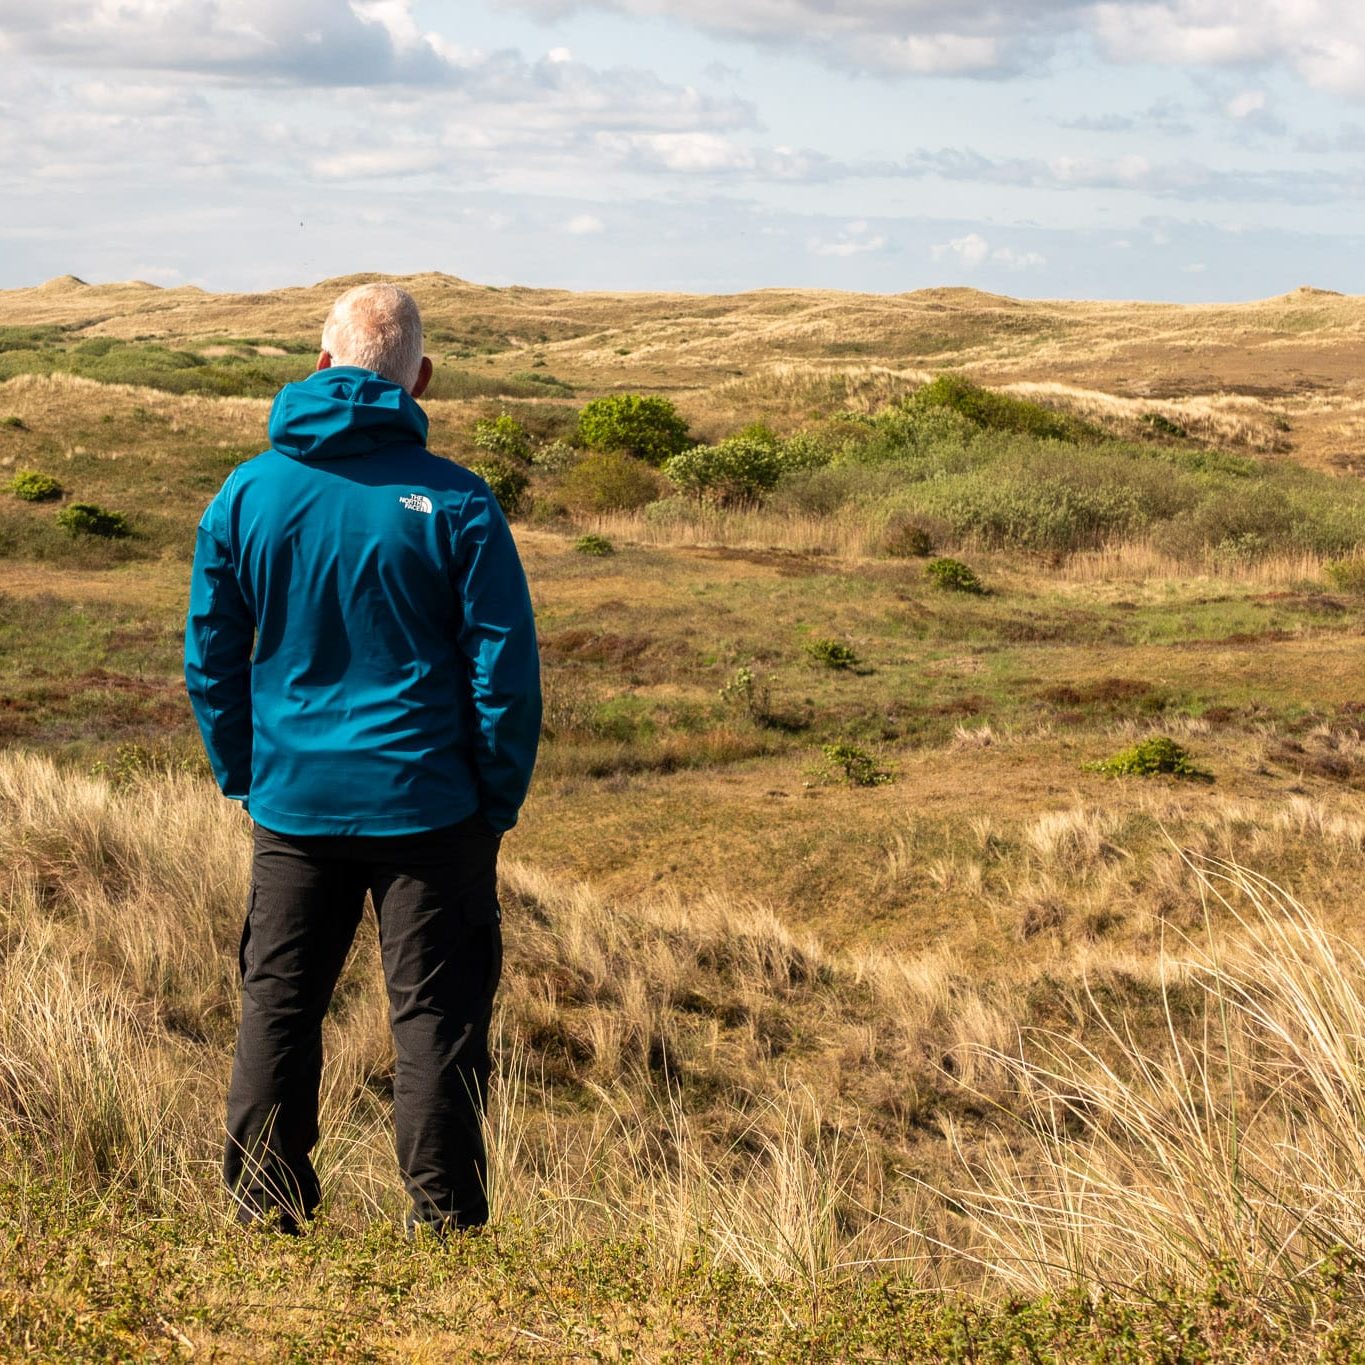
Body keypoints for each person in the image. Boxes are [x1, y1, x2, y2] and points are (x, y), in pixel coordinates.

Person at [184, 282, 541, 1235]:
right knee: (435, 1023)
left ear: (318, 363)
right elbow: (504, 673)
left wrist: (248, 773)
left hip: (294, 802)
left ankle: (263, 1211)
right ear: (419, 378)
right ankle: (447, 1227)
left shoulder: (247, 492)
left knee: (278, 1006)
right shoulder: (458, 499)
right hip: (431, 808)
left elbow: (210, 658)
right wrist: (492, 799)